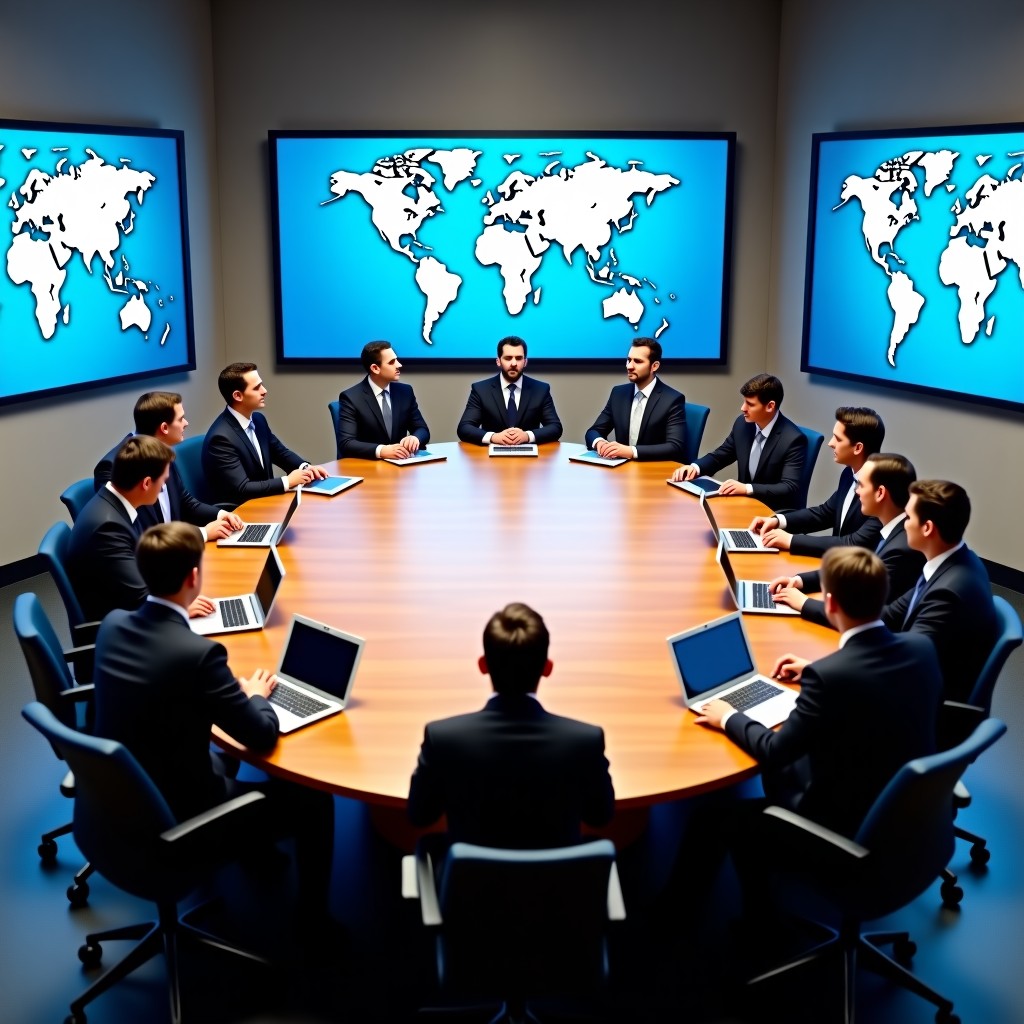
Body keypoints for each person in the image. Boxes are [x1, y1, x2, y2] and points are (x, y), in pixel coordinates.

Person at [91, 522, 334, 929]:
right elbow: (260, 736)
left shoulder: (113, 624)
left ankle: (259, 855)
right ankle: (314, 924)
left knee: (223, 760)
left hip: (117, 800)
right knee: (314, 801)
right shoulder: (198, 655)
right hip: (176, 818)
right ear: (193, 577)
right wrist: (257, 695)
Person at [697, 547, 941, 838]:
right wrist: (816, 668)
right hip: (902, 803)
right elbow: (875, 677)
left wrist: (728, 716)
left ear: (831, 605)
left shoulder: (829, 676)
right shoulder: (922, 648)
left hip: (839, 818)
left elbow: (775, 751)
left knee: (708, 821)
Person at [407, 602, 615, 848]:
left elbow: (420, 815)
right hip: (558, 885)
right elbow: (600, 816)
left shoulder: (442, 739)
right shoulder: (585, 742)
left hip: (470, 885)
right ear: (547, 669)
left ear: (482, 665)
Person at [67, 436, 214, 622]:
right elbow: (138, 597)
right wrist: (181, 605)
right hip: (123, 626)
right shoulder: (107, 528)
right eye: (163, 481)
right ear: (146, 484)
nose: (163, 488)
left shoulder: (116, 503)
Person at [770, 452, 924, 624]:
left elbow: (862, 613)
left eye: (861, 485)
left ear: (880, 493)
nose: (857, 491)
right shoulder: (891, 531)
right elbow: (854, 575)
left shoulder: (901, 549)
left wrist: (803, 603)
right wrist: (799, 581)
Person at [880, 480, 998, 703]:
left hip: (922, 705)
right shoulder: (953, 561)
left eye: (908, 518)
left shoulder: (949, 591)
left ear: (927, 528)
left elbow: (907, 660)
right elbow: (889, 615)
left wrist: (830, 669)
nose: (903, 525)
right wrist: (806, 606)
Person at [93, 391, 244, 540]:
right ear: (164, 428)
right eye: (181, 419)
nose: (186, 423)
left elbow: (184, 501)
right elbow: (134, 533)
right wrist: (202, 533)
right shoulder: (113, 466)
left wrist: (221, 514)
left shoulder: (162, 450)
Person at [749, 406, 884, 553]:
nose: (830, 443)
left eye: (838, 439)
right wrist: (778, 520)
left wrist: (791, 540)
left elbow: (854, 543)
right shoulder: (848, 474)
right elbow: (825, 514)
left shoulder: (880, 493)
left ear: (858, 448)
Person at [671, 373, 806, 509]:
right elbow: (721, 456)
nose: (743, 408)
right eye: (744, 401)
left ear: (770, 406)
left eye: (750, 404)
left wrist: (747, 488)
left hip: (771, 511)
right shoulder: (743, 424)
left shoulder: (793, 440)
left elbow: (789, 487)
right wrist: (695, 468)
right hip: (743, 504)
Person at [202, 362, 326, 505]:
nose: (264, 391)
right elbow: (242, 489)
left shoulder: (258, 420)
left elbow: (280, 453)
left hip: (266, 501)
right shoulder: (220, 438)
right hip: (242, 512)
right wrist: (288, 481)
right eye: (256, 388)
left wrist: (305, 468)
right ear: (237, 396)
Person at [584, 338, 686, 462]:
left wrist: (631, 451)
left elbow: (674, 447)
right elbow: (594, 431)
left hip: (652, 471)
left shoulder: (672, 399)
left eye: (637, 361)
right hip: (620, 470)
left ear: (654, 366)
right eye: (628, 360)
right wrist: (600, 443)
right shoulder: (618, 393)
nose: (629, 366)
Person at [456, 336, 563, 445]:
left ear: (525, 362)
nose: (513, 363)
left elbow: (555, 427)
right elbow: (464, 428)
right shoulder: (480, 390)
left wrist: (527, 436)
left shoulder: (541, 389)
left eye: (519, 358)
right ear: (498, 361)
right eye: (508, 358)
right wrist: (493, 437)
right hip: (491, 457)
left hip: (530, 458)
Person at [336, 341, 430, 460]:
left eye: (396, 360)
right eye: (392, 362)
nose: (399, 365)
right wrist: (381, 450)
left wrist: (415, 438)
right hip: (368, 467)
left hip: (402, 465)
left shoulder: (405, 392)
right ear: (375, 368)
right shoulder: (351, 398)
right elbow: (346, 443)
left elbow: (422, 429)